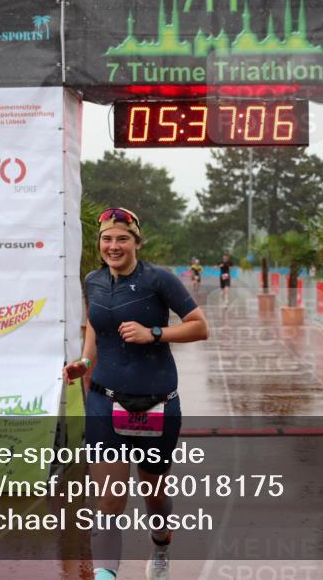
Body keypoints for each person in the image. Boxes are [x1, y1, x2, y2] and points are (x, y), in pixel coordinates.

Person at [63, 207, 209, 580]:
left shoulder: (159, 279)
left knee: (154, 495)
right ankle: (105, 575)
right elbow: (95, 324)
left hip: (156, 405)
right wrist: (84, 360)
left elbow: (199, 327)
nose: (114, 246)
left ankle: (161, 544)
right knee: (109, 500)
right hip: (104, 400)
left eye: (122, 239)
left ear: (136, 242)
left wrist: (154, 333)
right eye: (107, 239)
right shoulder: (93, 280)